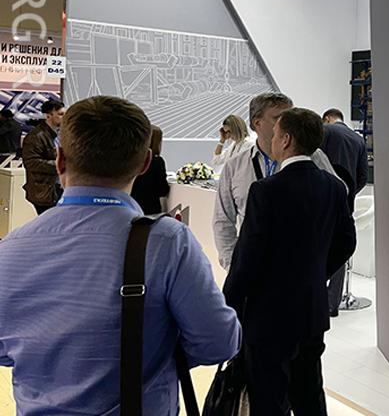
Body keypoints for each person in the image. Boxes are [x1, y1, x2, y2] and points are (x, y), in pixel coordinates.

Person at [0, 96, 240, 415]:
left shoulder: (11, 248)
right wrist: (153, 353)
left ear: (59, 160)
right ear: (145, 163)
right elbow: (219, 342)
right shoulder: (168, 242)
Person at [224, 108, 355, 415]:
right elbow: (347, 242)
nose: (270, 140)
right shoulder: (334, 187)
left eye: (275, 134)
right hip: (311, 309)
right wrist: (316, 273)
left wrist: (229, 306)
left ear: (286, 140)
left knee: (268, 397)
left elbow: (248, 257)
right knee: (309, 391)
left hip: (268, 314)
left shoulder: (266, 191)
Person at [214, 92, 340, 271]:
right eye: (279, 118)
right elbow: (222, 220)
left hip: (301, 268)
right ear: (257, 123)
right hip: (253, 268)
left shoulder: (313, 157)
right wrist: (234, 266)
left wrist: (320, 268)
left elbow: (337, 205)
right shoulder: (235, 167)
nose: (289, 124)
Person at [321, 108, 368, 317]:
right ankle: (332, 302)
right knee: (340, 250)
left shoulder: (324, 131)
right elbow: (362, 177)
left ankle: (315, 296)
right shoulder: (358, 140)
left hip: (320, 200)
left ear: (327, 119)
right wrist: (347, 193)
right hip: (345, 205)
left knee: (316, 246)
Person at [21, 99, 65, 214]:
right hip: (45, 191)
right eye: (60, 114)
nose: (64, 117)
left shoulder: (61, 134)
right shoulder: (35, 137)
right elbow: (31, 163)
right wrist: (60, 165)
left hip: (60, 188)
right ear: (48, 116)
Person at [131, 125, 170, 215]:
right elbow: (163, 190)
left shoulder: (132, 159)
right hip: (150, 209)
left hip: (132, 206)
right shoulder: (157, 162)